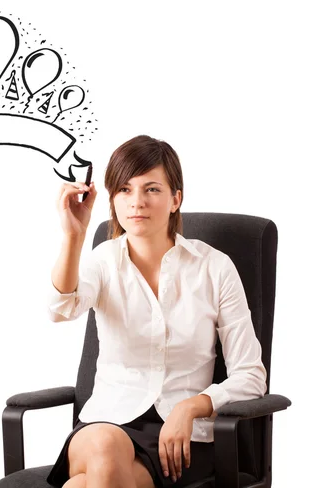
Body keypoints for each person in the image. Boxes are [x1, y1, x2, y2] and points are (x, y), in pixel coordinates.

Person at [45, 135, 267, 488]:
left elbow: (251, 375)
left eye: (151, 189)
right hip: (104, 423)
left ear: (176, 198)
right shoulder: (104, 260)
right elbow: (60, 308)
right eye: (124, 190)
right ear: (113, 200)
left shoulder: (214, 268)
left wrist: (192, 407)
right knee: (106, 444)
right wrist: (74, 236)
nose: (137, 203)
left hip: (181, 438)